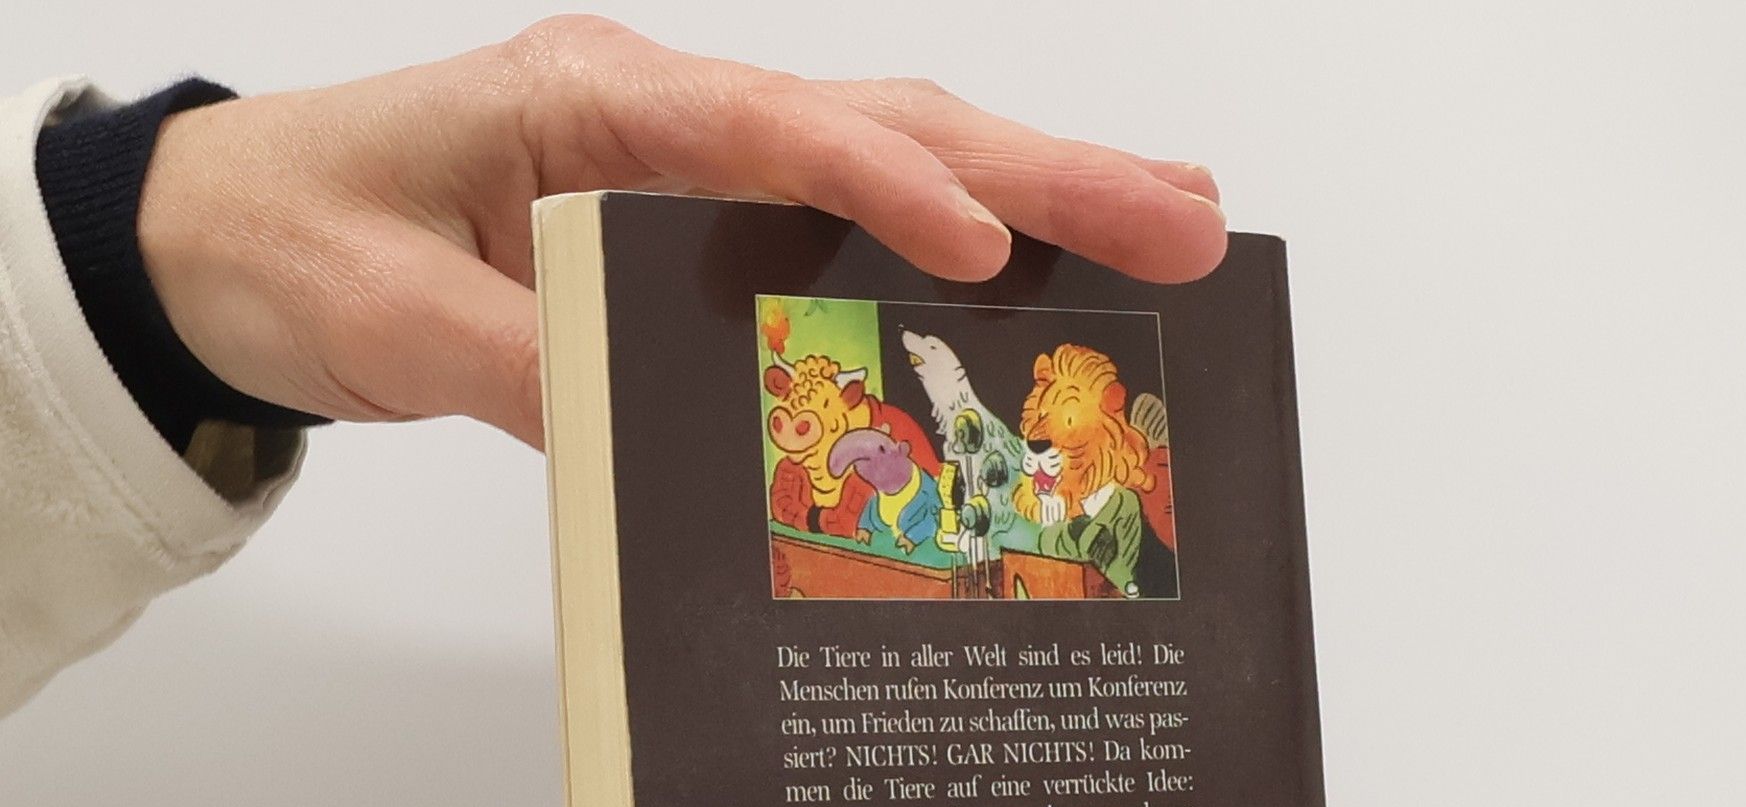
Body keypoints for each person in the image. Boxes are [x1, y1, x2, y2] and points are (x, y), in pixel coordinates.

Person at [0, 19, 1225, 717]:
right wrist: (123, 275)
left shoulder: (1086, 501)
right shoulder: (931, 459)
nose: (1043, 405)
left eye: (1065, 399)